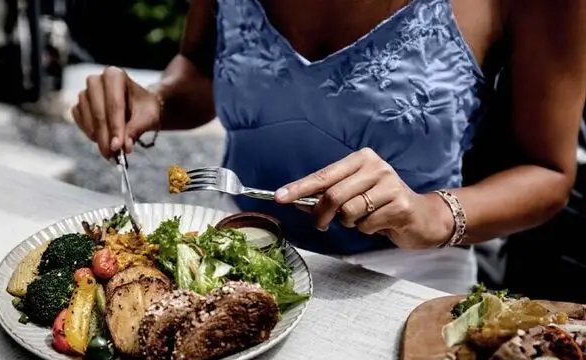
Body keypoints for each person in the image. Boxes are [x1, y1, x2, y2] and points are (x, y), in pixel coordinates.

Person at [70, 0, 586, 293]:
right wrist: (155, 100)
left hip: (404, 282)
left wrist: (430, 214)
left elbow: (547, 171)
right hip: (235, 256)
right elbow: (201, 69)